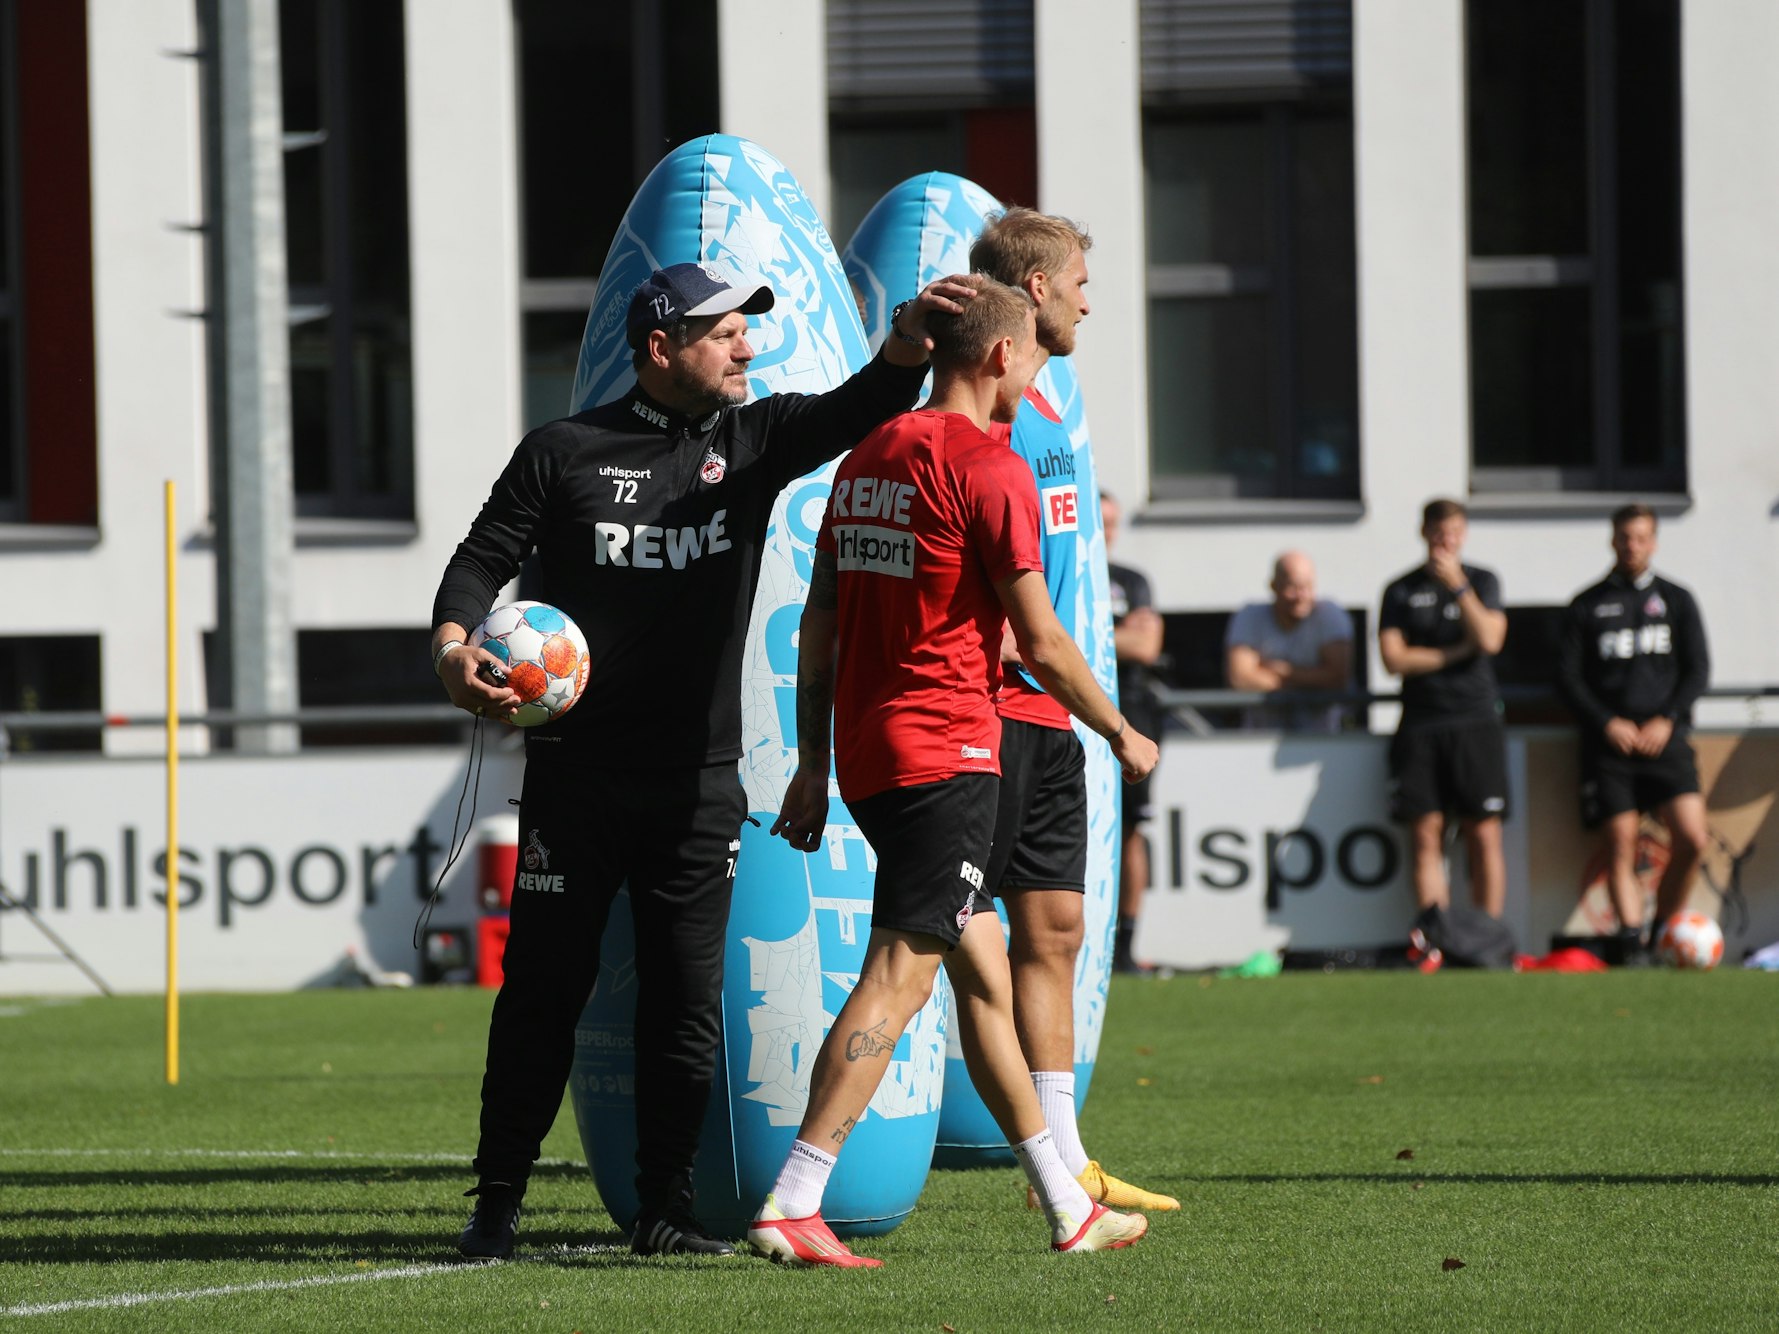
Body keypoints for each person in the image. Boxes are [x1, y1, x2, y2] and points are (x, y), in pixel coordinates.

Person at [431, 261, 975, 1261]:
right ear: (662, 346)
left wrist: (905, 338)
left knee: (686, 999)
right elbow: (477, 558)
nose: (748, 345)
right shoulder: (563, 451)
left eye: (749, 331)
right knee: (544, 990)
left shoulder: (755, 439)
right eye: (727, 331)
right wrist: (456, 647)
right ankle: (496, 1200)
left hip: (697, 786)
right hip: (575, 780)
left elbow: (864, 402)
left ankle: (665, 1208)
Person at [751, 276, 1159, 1267]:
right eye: (1033, 355)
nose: (1037, 371)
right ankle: (794, 1195)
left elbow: (824, 619)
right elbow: (1045, 639)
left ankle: (1066, 1198)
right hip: (951, 754)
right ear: (997, 356)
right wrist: (1118, 730)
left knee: (980, 973)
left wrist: (815, 761)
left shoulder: (868, 457)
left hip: (878, 753)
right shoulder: (988, 466)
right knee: (898, 973)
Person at [967, 209, 1178, 1212]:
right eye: (1082, 280)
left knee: (1054, 932)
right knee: (940, 955)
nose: (1093, 297)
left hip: (1047, 713)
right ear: (1038, 290)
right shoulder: (993, 405)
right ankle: (809, 1177)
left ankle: (1071, 1156)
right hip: (985, 713)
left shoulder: (1054, 406)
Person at [1556, 504, 1710, 961]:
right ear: (1612, 540)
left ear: (1654, 541)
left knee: (1692, 839)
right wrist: (1607, 722)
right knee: (1620, 844)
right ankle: (1629, 942)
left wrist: (1669, 718)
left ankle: (1664, 930)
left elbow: (1698, 670)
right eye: (1625, 537)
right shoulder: (1587, 604)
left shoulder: (1677, 600)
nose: (1632, 546)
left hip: (1665, 741)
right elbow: (1567, 678)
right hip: (1610, 747)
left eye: (1641, 537)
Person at [1377, 499, 1510, 919]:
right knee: (1425, 835)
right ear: (1424, 533)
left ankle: (1488, 940)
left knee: (1483, 834)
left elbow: (1489, 640)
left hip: (1475, 722)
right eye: (1438, 532)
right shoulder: (1400, 589)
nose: (1445, 541)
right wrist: (1455, 653)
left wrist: (1458, 588)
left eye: (1453, 532)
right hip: (1420, 723)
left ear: (1464, 534)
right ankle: (1435, 939)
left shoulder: (1482, 581)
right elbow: (1394, 660)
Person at [1101, 490, 1165, 975]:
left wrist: (1081, 635)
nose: (1107, 532)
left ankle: (1126, 943)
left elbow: (1146, 646)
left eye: (1113, 523)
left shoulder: (1131, 580)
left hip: (1134, 710)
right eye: (1099, 521)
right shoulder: (1058, 566)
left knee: (1130, 830)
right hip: (1075, 709)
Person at [1223, 552, 1353, 733]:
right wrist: (1311, 680)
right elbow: (1240, 678)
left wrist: (1282, 671)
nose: (1301, 595)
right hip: (1259, 740)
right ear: (1273, 586)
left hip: (1321, 740)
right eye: (1292, 587)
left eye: (1307, 586)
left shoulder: (1330, 615)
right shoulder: (1249, 616)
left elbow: (1338, 677)